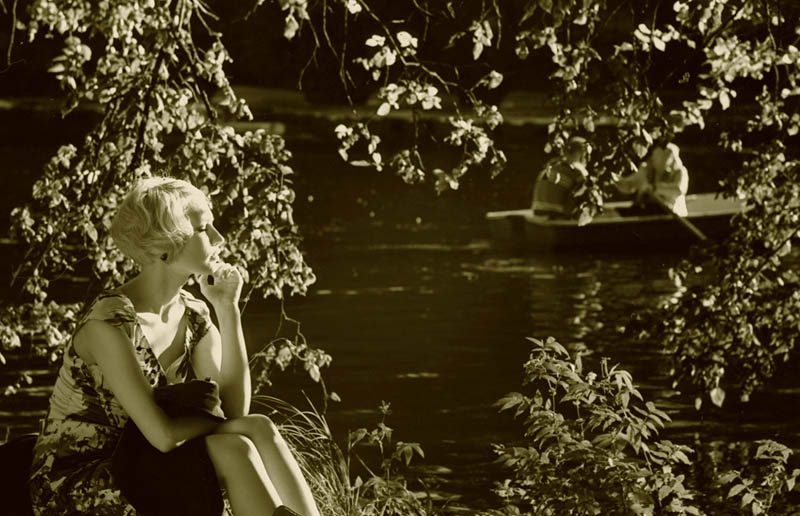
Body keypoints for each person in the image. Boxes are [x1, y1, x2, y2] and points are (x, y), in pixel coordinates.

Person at [29, 176, 322, 516]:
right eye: (203, 229)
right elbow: (164, 435)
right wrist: (218, 419)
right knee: (234, 449)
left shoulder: (192, 314)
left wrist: (227, 309)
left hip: (145, 458)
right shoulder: (108, 325)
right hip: (79, 480)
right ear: (165, 246)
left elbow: (235, 411)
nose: (219, 238)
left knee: (259, 427)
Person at [616, 142, 689, 216]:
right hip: (648, 212)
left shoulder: (680, 171)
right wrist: (616, 181)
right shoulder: (646, 170)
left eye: (666, 156)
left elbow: (678, 190)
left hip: (673, 213)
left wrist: (654, 188)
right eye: (658, 155)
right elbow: (629, 185)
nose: (662, 159)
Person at [531, 136, 592, 219]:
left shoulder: (551, 164)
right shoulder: (577, 171)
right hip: (557, 215)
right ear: (582, 153)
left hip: (538, 212)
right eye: (587, 154)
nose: (588, 158)